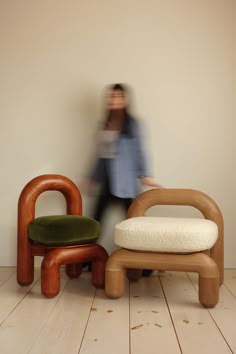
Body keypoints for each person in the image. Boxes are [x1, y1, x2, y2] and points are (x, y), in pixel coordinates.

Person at [84, 83, 162, 276]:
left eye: (119, 97)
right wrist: (91, 178)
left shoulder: (132, 124)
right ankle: (85, 261)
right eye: (112, 97)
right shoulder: (104, 125)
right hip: (107, 183)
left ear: (125, 100)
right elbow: (100, 156)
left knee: (135, 227)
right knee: (95, 223)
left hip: (126, 184)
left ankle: (147, 265)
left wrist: (145, 174)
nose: (114, 100)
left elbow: (139, 151)